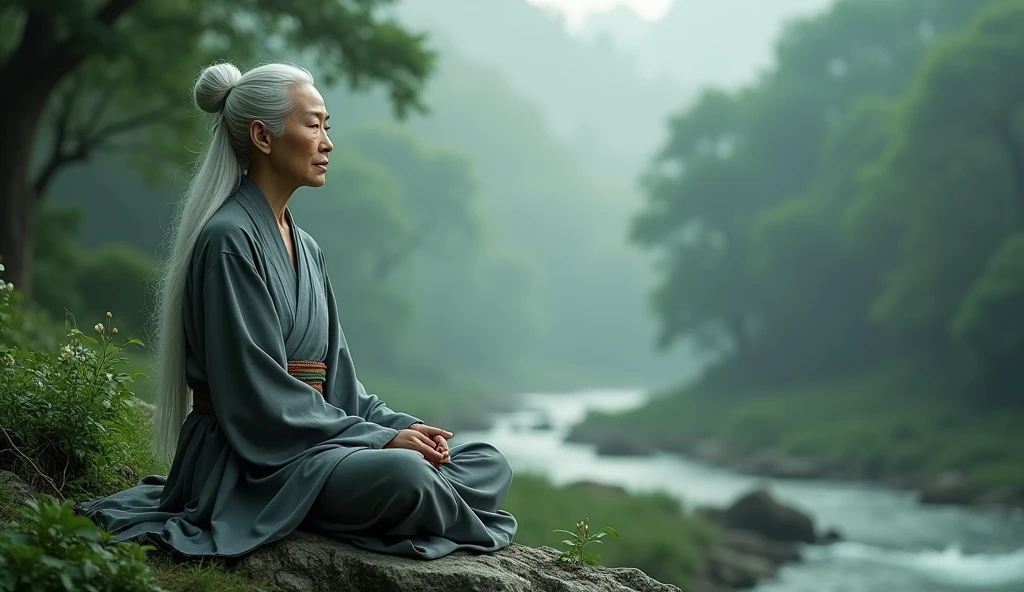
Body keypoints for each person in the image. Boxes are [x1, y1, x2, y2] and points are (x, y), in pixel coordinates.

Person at [75, 61, 518, 560]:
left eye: (328, 126)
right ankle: (416, 507)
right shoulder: (228, 240)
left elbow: (342, 388)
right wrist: (384, 443)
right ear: (263, 137)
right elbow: (258, 401)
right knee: (407, 475)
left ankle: (410, 499)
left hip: (317, 446)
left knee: (486, 461)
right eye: (314, 125)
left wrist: (402, 429)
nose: (328, 142)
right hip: (250, 459)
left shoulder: (306, 247)